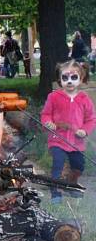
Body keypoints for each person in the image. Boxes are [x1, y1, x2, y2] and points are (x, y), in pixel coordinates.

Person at [41, 60, 95, 202]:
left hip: (77, 142)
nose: (69, 81)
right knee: (58, 164)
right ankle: (55, 192)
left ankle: (71, 185)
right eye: (65, 78)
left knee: (79, 166)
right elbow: (46, 114)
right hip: (57, 139)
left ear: (81, 78)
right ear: (60, 79)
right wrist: (48, 123)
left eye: (73, 77)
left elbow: (91, 119)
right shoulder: (53, 97)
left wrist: (85, 130)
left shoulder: (85, 99)